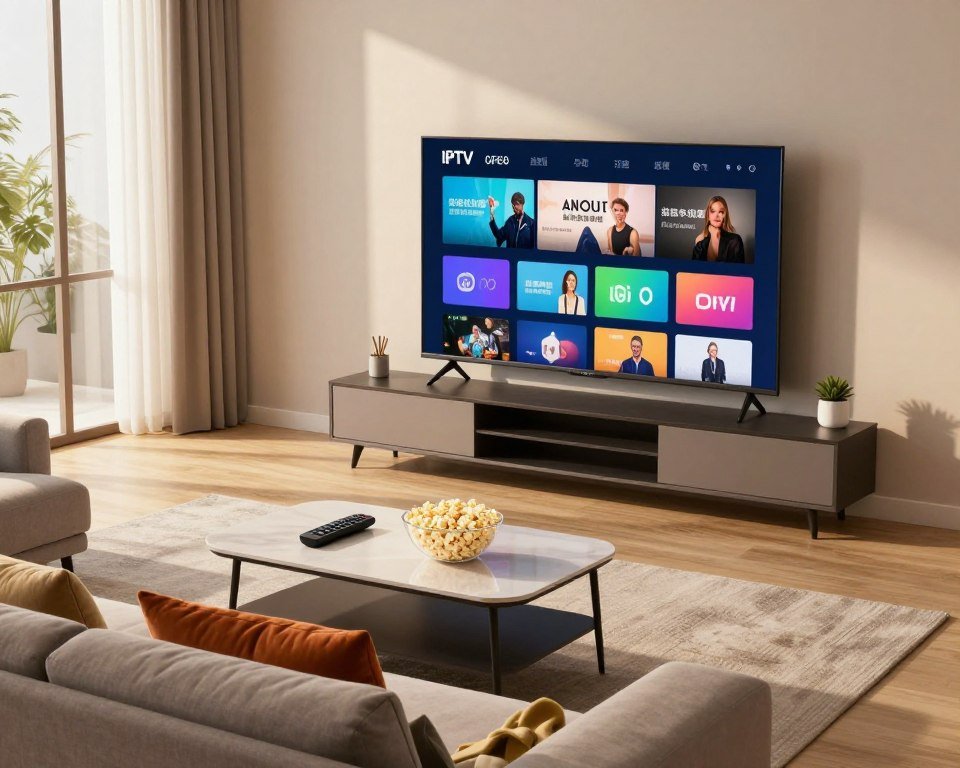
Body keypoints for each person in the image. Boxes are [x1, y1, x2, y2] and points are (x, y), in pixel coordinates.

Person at [691, 196, 745, 263]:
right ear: (708, 216)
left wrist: (714, 235)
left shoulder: (734, 240)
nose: (716, 215)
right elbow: (695, 270)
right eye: (713, 211)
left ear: (725, 216)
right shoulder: (700, 241)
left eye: (721, 212)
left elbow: (737, 271)